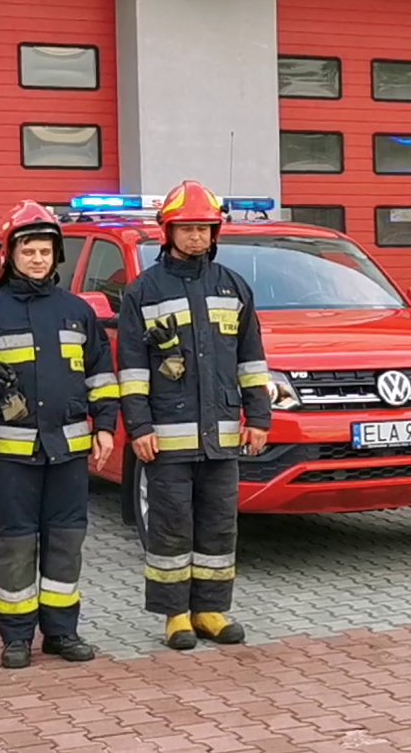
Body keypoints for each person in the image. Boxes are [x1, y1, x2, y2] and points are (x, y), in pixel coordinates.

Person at [0, 201, 118, 669]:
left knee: (65, 542)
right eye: (29, 251)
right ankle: (16, 636)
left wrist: (105, 427)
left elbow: (101, 374)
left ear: (55, 256)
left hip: (67, 453)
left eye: (45, 251)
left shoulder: (76, 311)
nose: (38, 259)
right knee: (17, 544)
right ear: (11, 256)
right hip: (12, 456)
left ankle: (62, 632)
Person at [116, 179, 271, 650]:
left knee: (219, 524)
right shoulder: (143, 291)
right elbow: (132, 368)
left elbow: (252, 359)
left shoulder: (232, 287)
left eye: (204, 228)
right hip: (166, 439)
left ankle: (211, 611)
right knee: (170, 526)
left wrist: (259, 418)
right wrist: (139, 427)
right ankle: (175, 616)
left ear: (215, 232)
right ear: (168, 232)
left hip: (222, 438)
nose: (197, 237)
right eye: (187, 229)